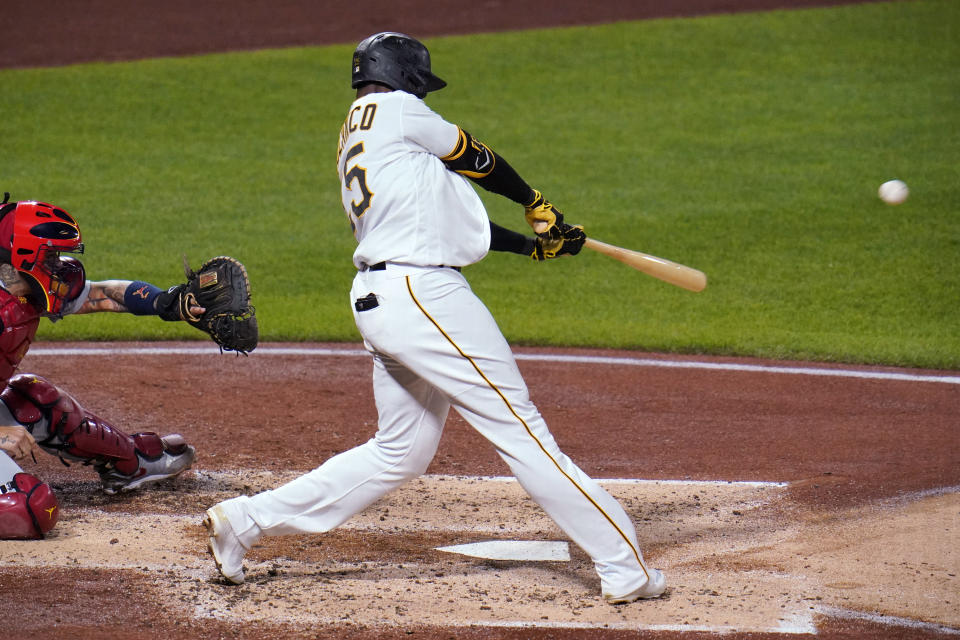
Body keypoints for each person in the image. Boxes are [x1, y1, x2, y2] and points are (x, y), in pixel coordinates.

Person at [204, 31, 665, 603]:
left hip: (385, 296)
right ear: (409, 79)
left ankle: (244, 522)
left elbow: (443, 218)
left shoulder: (363, 130)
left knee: (400, 452)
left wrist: (531, 245)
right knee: (522, 431)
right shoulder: (398, 110)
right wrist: (534, 200)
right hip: (423, 296)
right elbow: (476, 157)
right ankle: (624, 566)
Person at [0, 195, 197, 540]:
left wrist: (168, 303)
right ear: (16, 262)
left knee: (37, 401)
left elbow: (103, 294)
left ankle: (130, 463)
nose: (59, 266)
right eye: (49, 256)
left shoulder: (19, 292)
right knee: (28, 509)